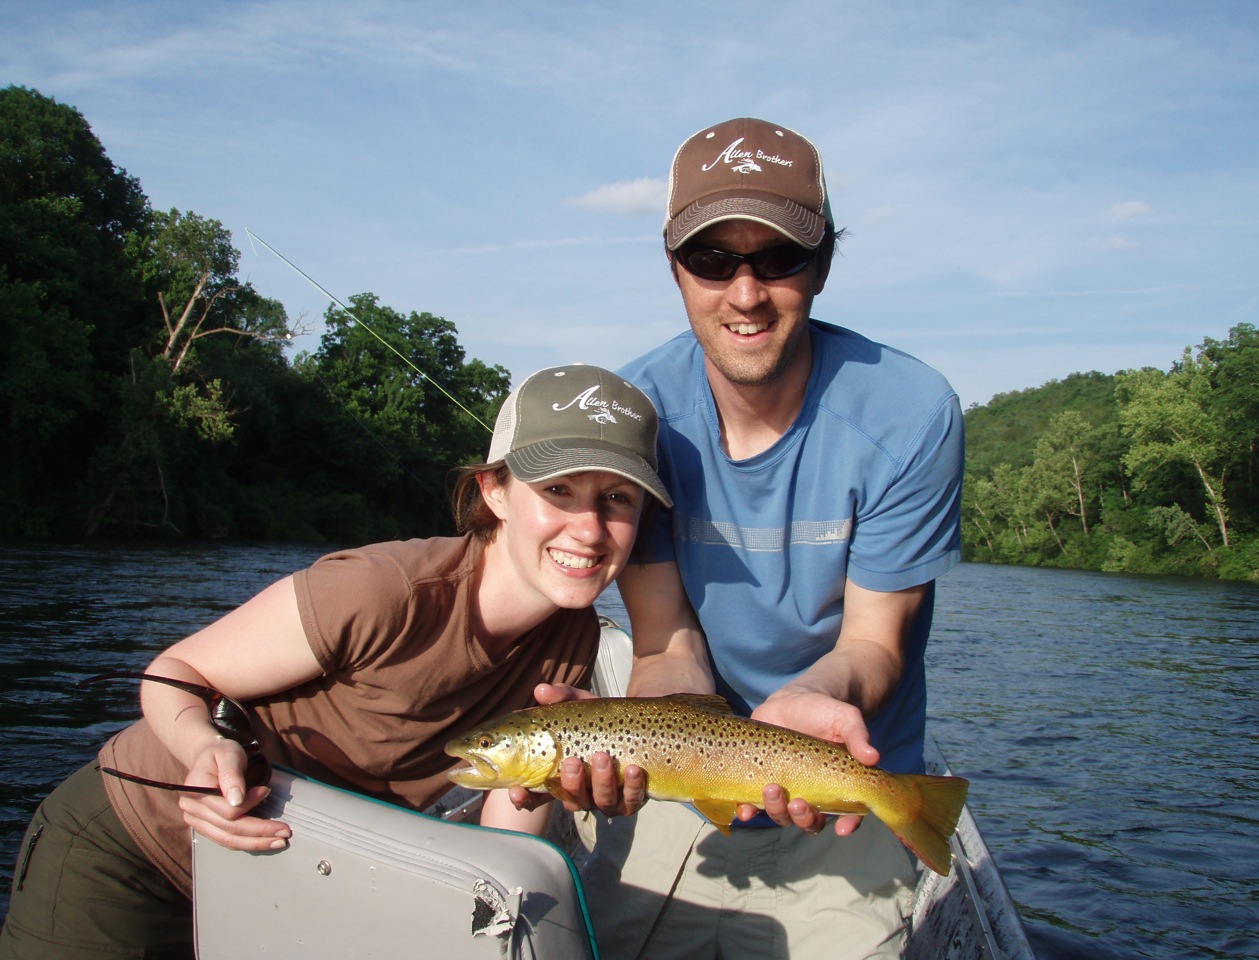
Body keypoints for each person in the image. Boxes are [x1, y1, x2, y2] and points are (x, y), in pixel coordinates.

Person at [0, 363, 672, 960]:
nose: (589, 529)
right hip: (131, 853)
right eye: (559, 491)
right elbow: (174, 672)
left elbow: (507, 838)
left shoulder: (577, 645)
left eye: (617, 499)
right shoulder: (382, 590)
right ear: (493, 492)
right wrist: (202, 747)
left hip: (284, 886)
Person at [537, 117, 965, 959]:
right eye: (711, 260)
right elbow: (665, 642)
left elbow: (875, 645)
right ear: (674, 269)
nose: (744, 293)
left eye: (778, 259)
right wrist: (628, 735)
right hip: (696, 753)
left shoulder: (912, 412)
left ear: (824, 264)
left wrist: (821, 706)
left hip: (849, 764)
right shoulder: (639, 414)